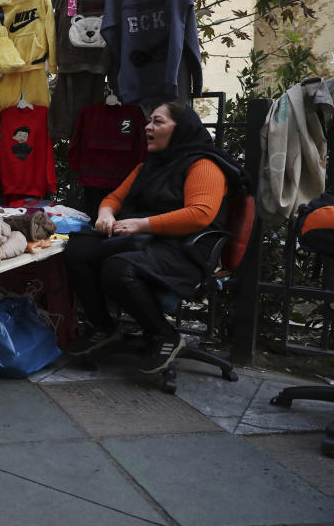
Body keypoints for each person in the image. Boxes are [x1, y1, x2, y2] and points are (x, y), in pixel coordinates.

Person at [63, 101, 246, 374]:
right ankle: (102, 326)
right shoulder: (149, 166)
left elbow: (199, 215)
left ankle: (164, 335)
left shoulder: (204, 165)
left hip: (184, 250)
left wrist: (140, 224)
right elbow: (113, 198)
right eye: (149, 121)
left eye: (158, 122)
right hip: (146, 241)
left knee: (118, 267)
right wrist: (106, 215)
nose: (148, 127)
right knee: (77, 250)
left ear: (180, 129)